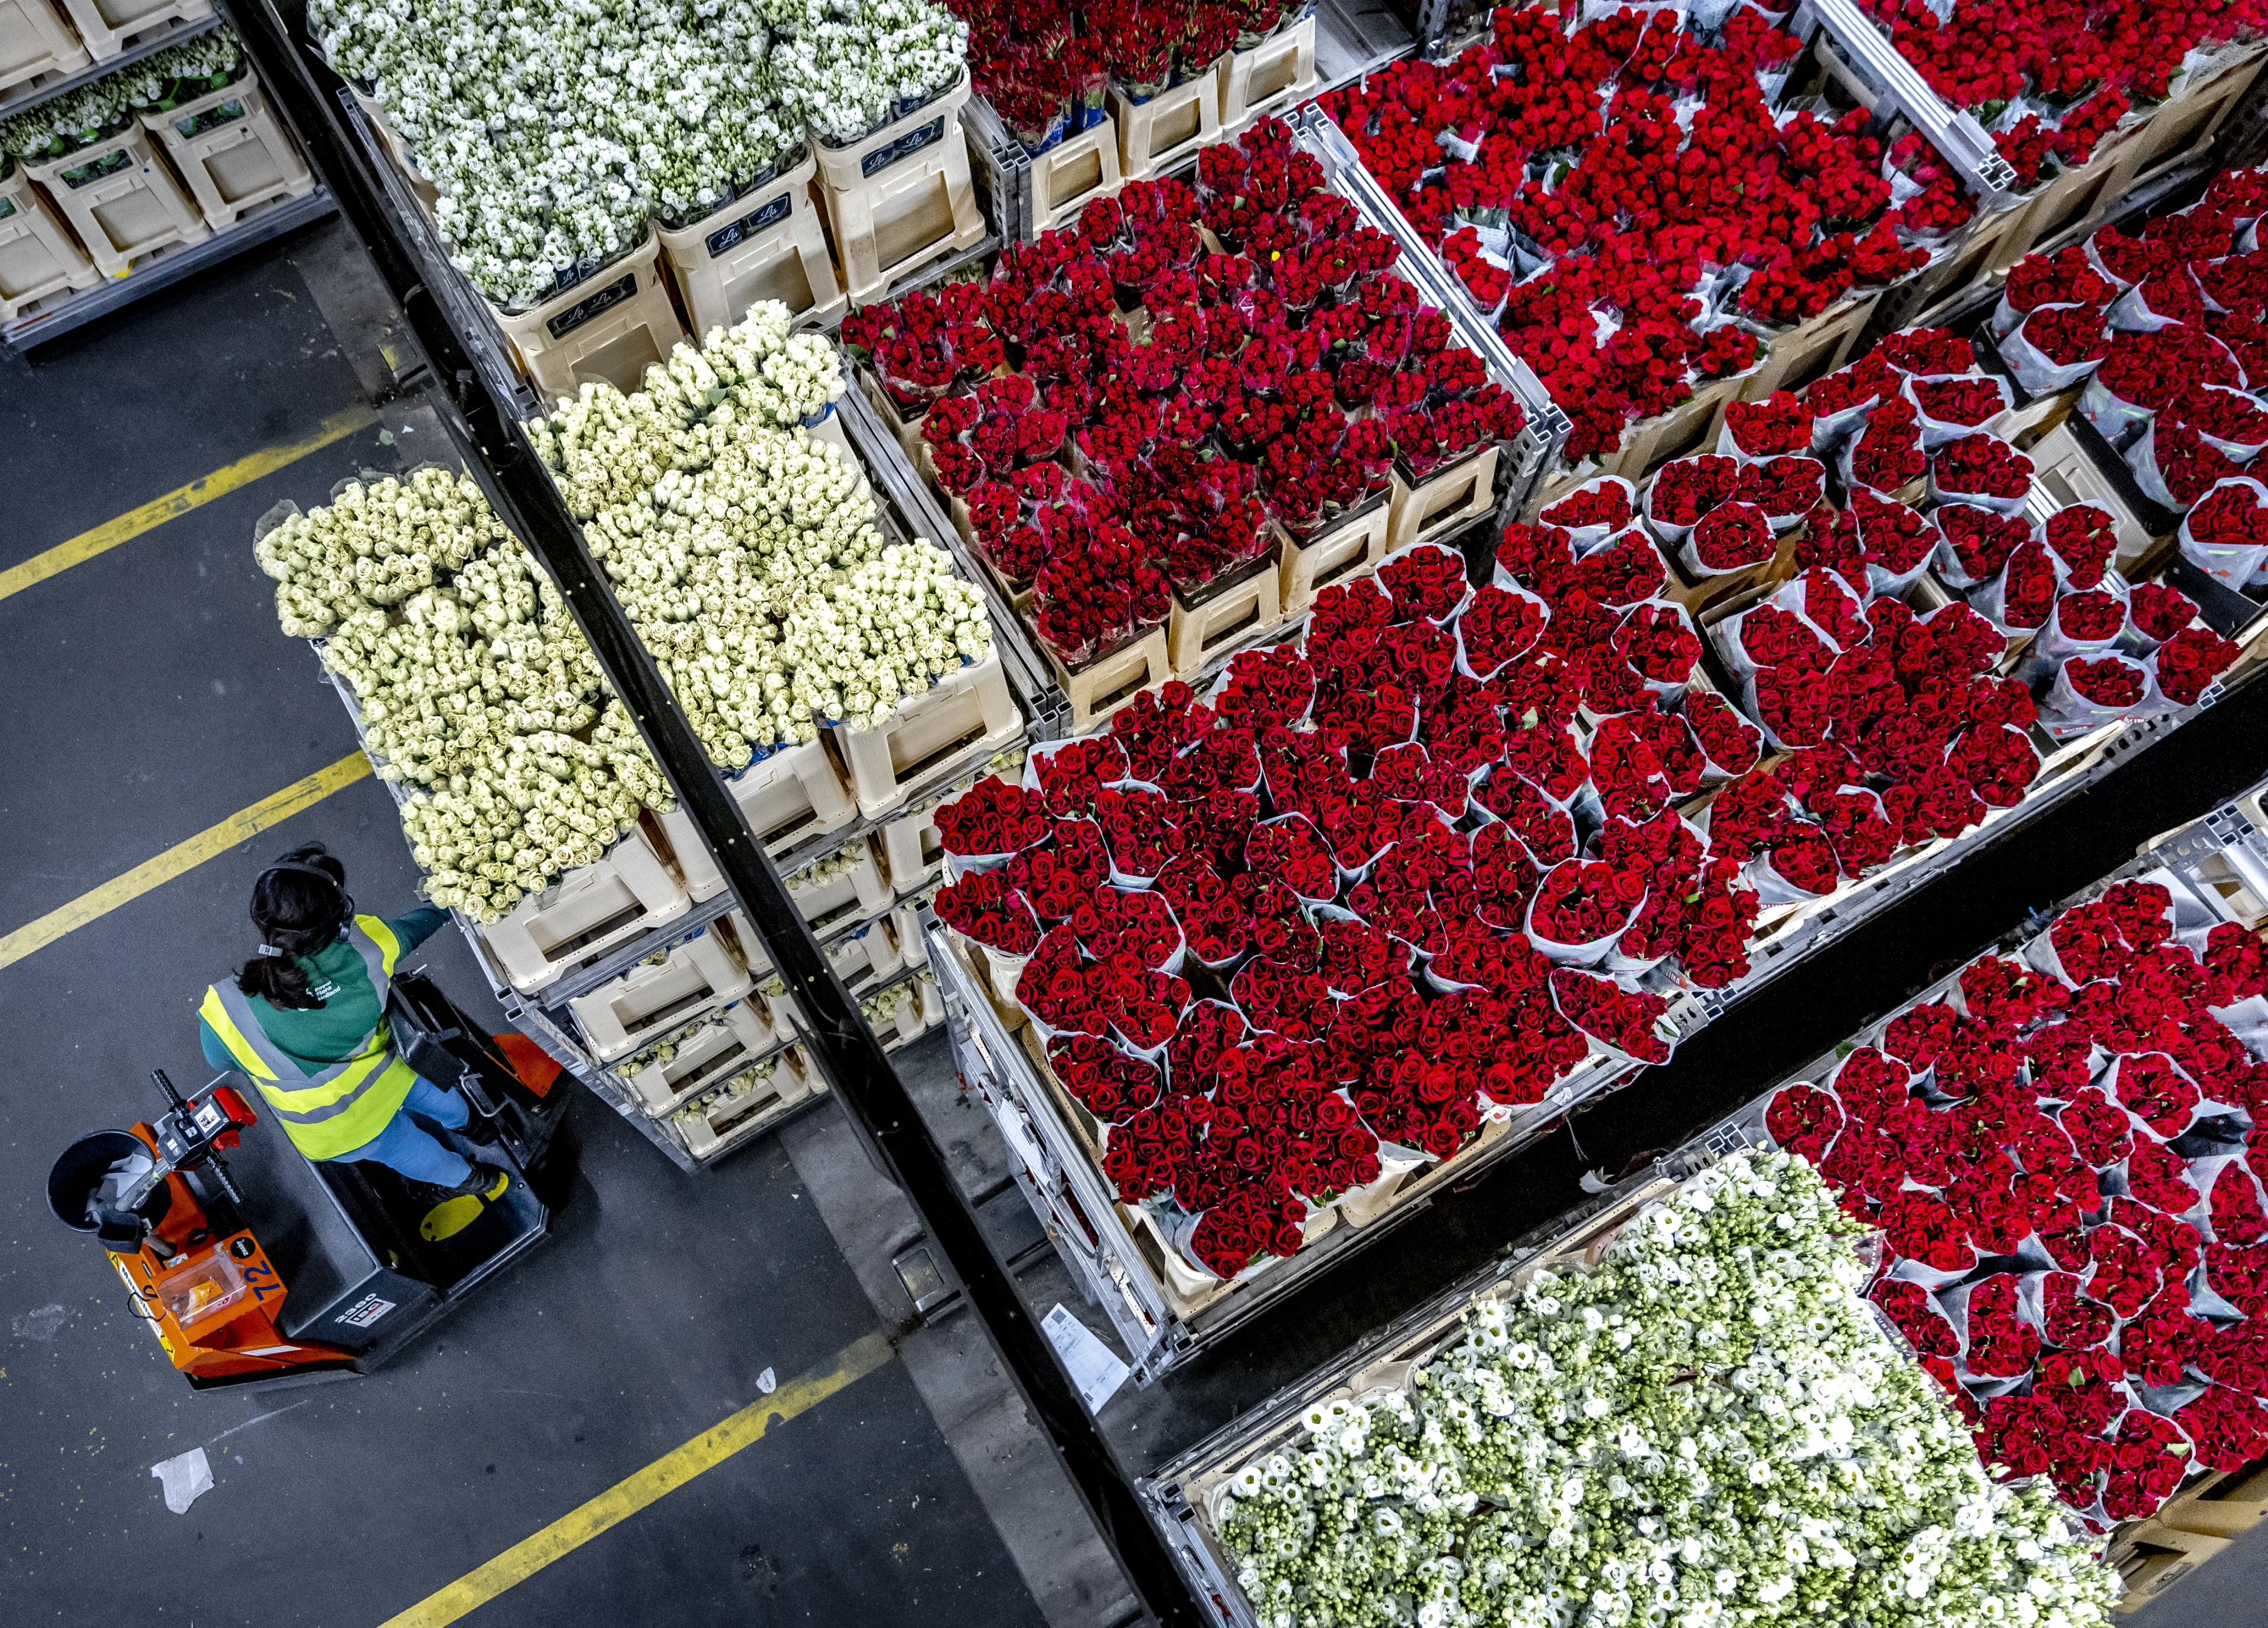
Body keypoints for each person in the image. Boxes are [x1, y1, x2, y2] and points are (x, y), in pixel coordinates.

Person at [197, 843, 507, 1203]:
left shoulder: (225, 1010)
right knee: (435, 1097)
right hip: (396, 1073)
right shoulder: (369, 946)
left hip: (335, 1129)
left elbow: (220, 1061)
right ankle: (478, 1127)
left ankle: (476, 1181)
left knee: (405, 1149)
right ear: (341, 922)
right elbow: (422, 923)